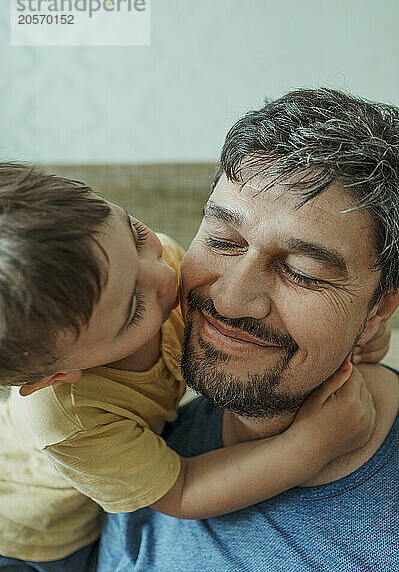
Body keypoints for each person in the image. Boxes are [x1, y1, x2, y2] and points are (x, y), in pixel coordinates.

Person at [0, 164, 380, 571]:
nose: (164, 274)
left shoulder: (140, 269)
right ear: (60, 376)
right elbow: (182, 489)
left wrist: (358, 325)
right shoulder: (70, 420)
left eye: (136, 235)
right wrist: (310, 445)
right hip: (40, 535)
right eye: (135, 307)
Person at [98, 87, 399, 572]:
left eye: (301, 270)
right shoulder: (142, 447)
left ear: (380, 307)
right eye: (223, 240)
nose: (231, 299)